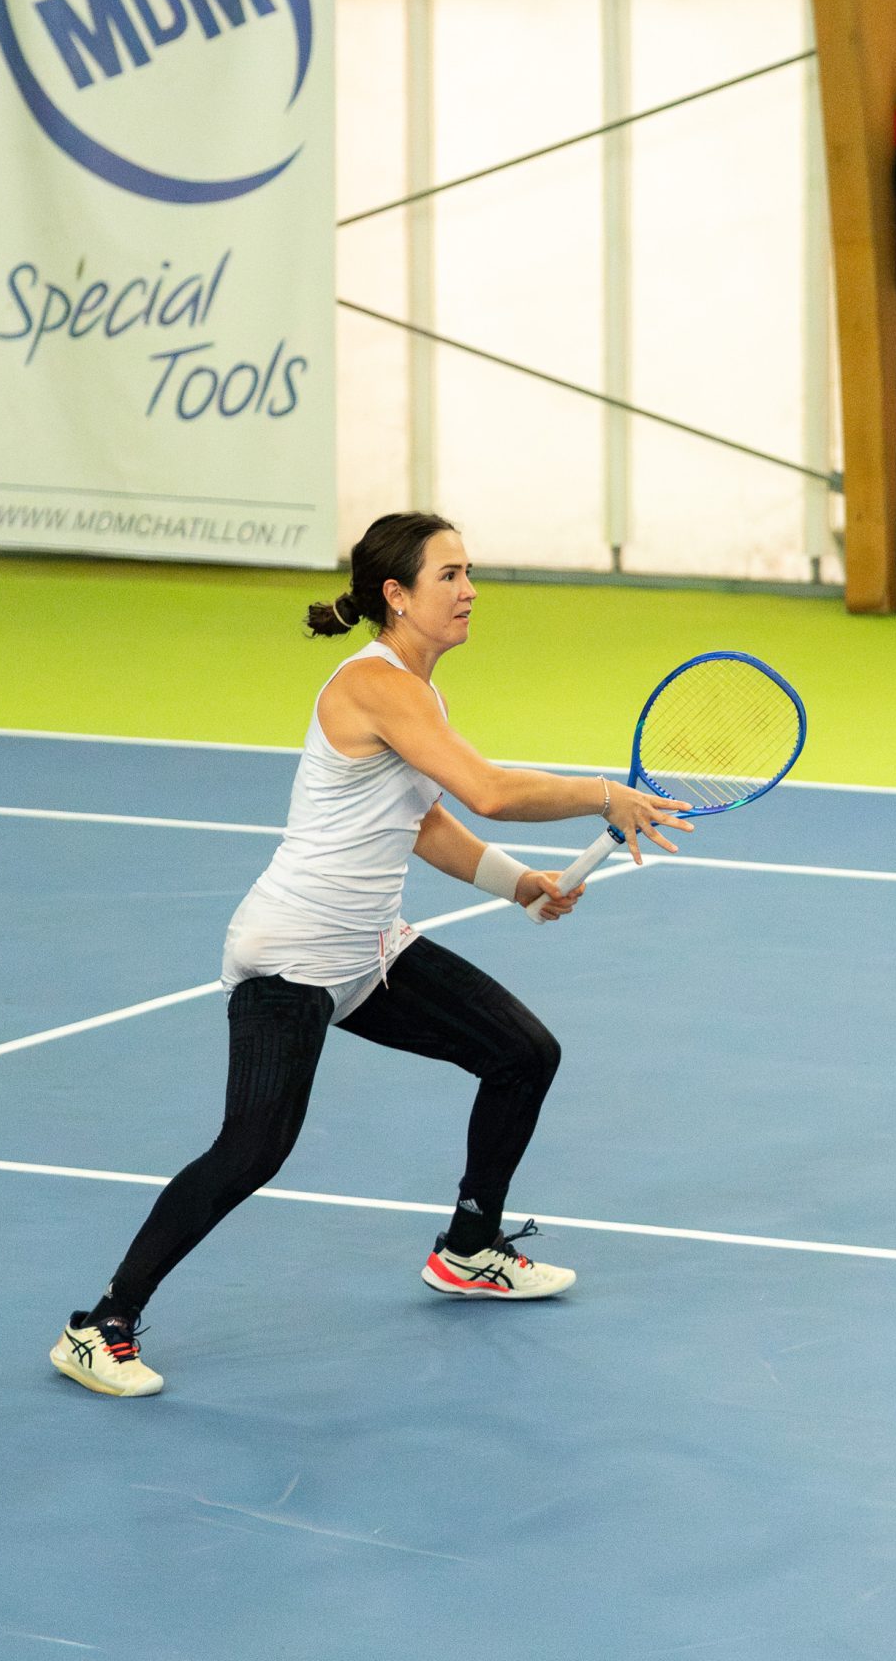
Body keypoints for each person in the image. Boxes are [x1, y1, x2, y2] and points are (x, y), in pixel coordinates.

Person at [50, 510, 689, 1399]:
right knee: (252, 1149)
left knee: (521, 1053)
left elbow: (424, 820)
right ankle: (101, 1324)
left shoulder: (417, 694)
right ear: (397, 594)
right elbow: (488, 791)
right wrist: (604, 796)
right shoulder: (373, 684)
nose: (469, 591)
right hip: (294, 954)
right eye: (449, 575)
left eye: (470, 572)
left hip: (370, 950)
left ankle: (469, 1249)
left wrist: (517, 885)